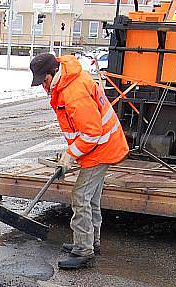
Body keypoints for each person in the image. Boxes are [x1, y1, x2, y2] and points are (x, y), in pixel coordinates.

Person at [30, 53, 128, 270]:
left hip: (100, 148)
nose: (43, 86)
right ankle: (91, 241)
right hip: (98, 147)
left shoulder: (74, 93)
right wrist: (71, 154)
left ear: (53, 72)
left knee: (80, 196)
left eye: (43, 80)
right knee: (91, 197)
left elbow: (91, 133)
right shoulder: (67, 81)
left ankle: (84, 250)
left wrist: (69, 156)